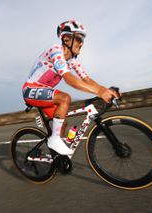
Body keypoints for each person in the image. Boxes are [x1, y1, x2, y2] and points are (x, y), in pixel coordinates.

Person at [22, 20, 118, 155]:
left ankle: (55, 155)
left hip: (46, 93)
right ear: (66, 39)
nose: (82, 43)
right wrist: (99, 91)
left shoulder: (72, 60)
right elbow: (68, 78)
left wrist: (105, 90)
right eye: (79, 38)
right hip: (30, 90)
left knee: (63, 124)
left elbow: (86, 79)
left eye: (83, 39)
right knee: (65, 98)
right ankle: (54, 140)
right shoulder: (55, 50)